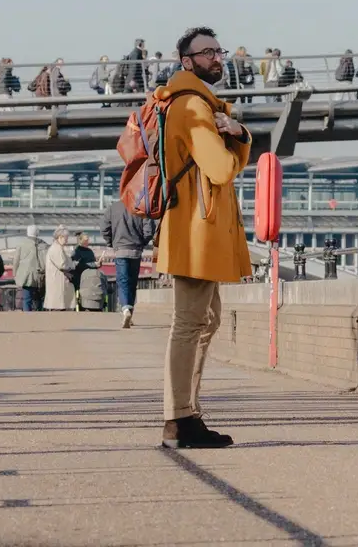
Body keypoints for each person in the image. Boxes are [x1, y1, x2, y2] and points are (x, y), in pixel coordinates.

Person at [156, 25, 252, 450]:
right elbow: (220, 169)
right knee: (190, 323)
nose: (217, 58)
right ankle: (179, 418)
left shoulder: (198, 102)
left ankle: (188, 412)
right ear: (187, 62)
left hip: (199, 226)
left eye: (219, 50)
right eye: (206, 52)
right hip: (195, 229)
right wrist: (238, 134)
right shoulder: (192, 106)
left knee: (206, 320)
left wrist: (234, 130)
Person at [101, 199, 156, 328]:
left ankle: (125, 309)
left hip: (120, 250)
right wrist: (141, 242)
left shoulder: (113, 208)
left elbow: (104, 228)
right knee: (132, 283)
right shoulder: (141, 206)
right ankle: (130, 312)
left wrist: (111, 242)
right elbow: (149, 229)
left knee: (122, 281)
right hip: (136, 250)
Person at [13, 225, 48, 311]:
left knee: (27, 299)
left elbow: (16, 261)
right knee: (40, 299)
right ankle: (40, 318)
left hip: (26, 276)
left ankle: (27, 319)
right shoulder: (44, 245)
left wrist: (15, 275)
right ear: (37, 232)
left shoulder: (21, 244)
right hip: (41, 276)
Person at [44, 226, 76, 311]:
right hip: (58, 282)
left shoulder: (57, 247)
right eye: (66, 238)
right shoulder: (56, 248)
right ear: (60, 237)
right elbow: (62, 265)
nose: (67, 240)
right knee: (59, 306)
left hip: (59, 281)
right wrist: (73, 265)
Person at [70, 233, 97, 301]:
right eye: (85, 240)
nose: (87, 242)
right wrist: (93, 265)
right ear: (80, 240)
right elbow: (77, 265)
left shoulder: (90, 251)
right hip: (79, 278)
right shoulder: (76, 251)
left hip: (89, 278)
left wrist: (98, 264)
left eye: (87, 240)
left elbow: (94, 264)